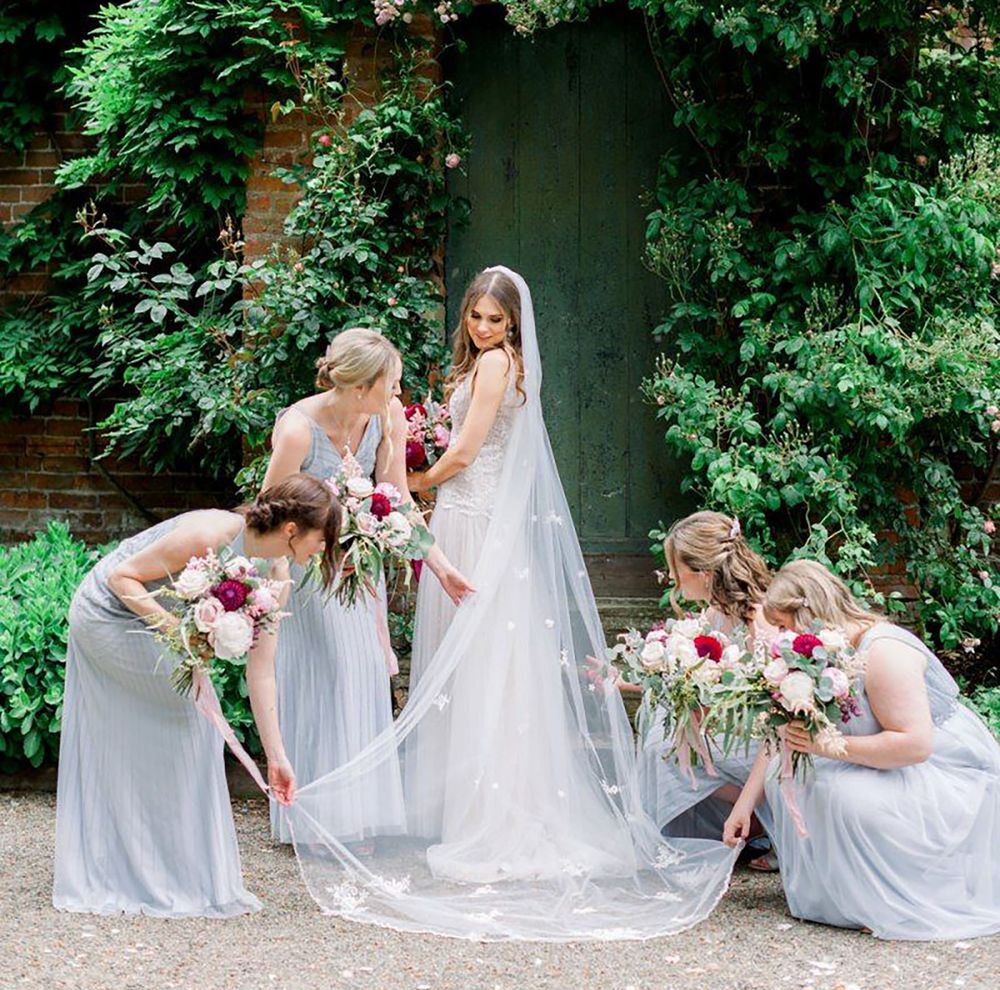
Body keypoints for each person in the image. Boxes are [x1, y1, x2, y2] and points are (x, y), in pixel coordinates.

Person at [282, 267, 738, 941]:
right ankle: (459, 804)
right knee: (464, 672)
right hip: (464, 520)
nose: (484, 329)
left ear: (513, 325)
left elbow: (465, 452)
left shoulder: (497, 366)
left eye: (496, 320)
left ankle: (493, 813)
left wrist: (409, 481)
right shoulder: (479, 366)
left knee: (488, 668)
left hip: (476, 521)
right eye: (476, 317)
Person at [53, 473, 340, 917]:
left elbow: (262, 672)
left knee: (192, 728)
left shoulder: (277, 575)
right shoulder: (212, 533)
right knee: (191, 722)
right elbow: (121, 578)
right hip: (107, 617)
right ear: (291, 530)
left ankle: (166, 868)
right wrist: (184, 634)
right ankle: (156, 872)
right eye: (322, 540)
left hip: (153, 626)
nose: (323, 551)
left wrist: (276, 757)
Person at [262, 328, 472, 845]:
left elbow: (396, 498)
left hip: (360, 572)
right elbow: (267, 516)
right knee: (325, 675)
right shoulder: (297, 431)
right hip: (307, 572)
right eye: (392, 385)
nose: (399, 395)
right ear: (360, 387)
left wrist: (440, 567)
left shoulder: (386, 418)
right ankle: (308, 814)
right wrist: (288, 575)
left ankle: (350, 814)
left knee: (360, 676)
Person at [723, 560, 1000, 939]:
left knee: (840, 790)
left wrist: (829, 746)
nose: (781, 638)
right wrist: (744, 804)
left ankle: (893, 897)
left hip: (940, 769)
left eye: (785, 626)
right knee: (791, 773)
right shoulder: (816, 657)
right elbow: (781, 736)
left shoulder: (883, 650)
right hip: (880, 756)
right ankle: (845, 895)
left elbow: (915, 745)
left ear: (809, 613)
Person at [634, 512, 777, 867]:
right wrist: (625, 679)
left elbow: (778, 715)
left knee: (671, 745)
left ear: (704, 572)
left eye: (675, 567)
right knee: (666, 723)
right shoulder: (716, 614)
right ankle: (758, 825)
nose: (670, 577)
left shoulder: (761, 622)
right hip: (739, 732)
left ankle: (766, 823)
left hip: (771, 742)